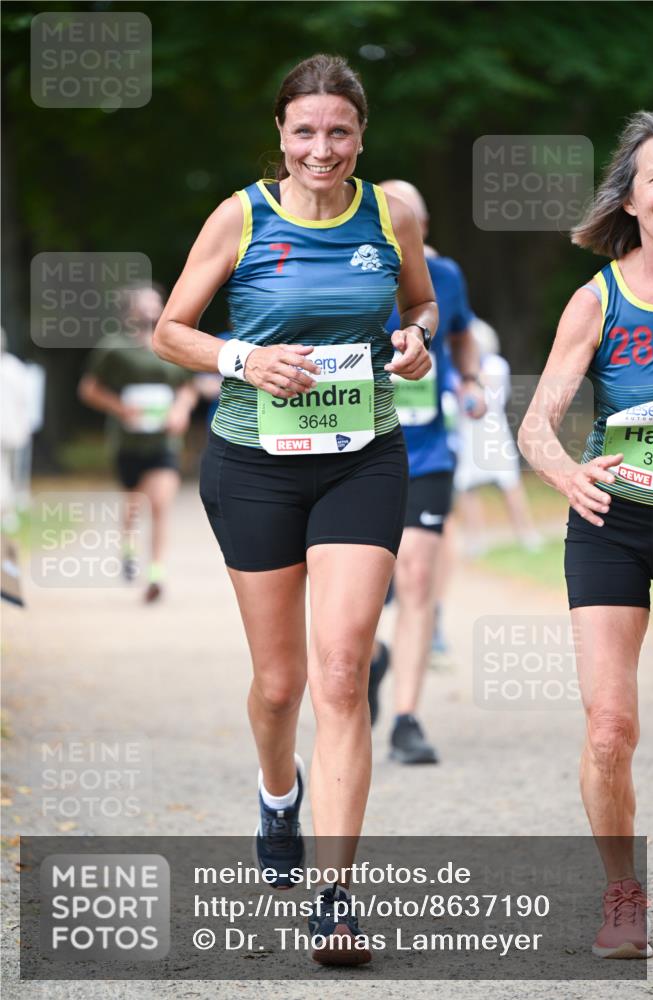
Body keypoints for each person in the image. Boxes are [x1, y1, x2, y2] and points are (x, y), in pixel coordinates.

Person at [152, 55, 436, 965]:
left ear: (361, 137)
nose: (322, 148)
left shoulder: (387, 216)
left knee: (342, 671)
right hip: (254, 464)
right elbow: (170, 328)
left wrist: (413, 341)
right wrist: (243, 359)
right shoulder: (242, 214)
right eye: (305, 131)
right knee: (280, 687)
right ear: (281, 134)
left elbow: (421, 305)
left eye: (339, 132)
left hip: (363, 459)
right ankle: (280, 795)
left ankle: (336, 896)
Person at [519, 111, 653, 959]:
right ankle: (622, 894)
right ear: (634, 197)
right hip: (612, 520)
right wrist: (567, 473)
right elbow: (536, 424)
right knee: (610, 727)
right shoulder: (597, 297)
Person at [367, 180, 485, 763]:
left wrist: (470, 381)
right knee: (356, 587)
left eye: (411, 215)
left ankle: (407, 719)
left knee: (415, 577)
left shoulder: (448, 278)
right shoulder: (347, 271)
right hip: (354, 451)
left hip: (428, 453)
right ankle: (367, 661)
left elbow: (461, 337)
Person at [78, 284, 197, 603]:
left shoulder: (170, 344)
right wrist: (120, 408)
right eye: (144, 303)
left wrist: (181, 410)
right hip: (127, 442)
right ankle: (128, 549)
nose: (150, 308)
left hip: (165, 442)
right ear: (129, 310)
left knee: (159, 504)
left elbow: (188, 387)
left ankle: (156, 574)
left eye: (155, 302)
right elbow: (89, 389)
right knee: (133, 504)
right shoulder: (113, 348)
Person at [454, 318, 543, 557]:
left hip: (493, 431)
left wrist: (470, 375)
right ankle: (475, 539)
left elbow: (489, 397)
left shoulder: (496, 365)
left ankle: (526, 533)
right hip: (467, 433)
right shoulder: (456, 369)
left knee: (510, 483)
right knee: (466, 487)